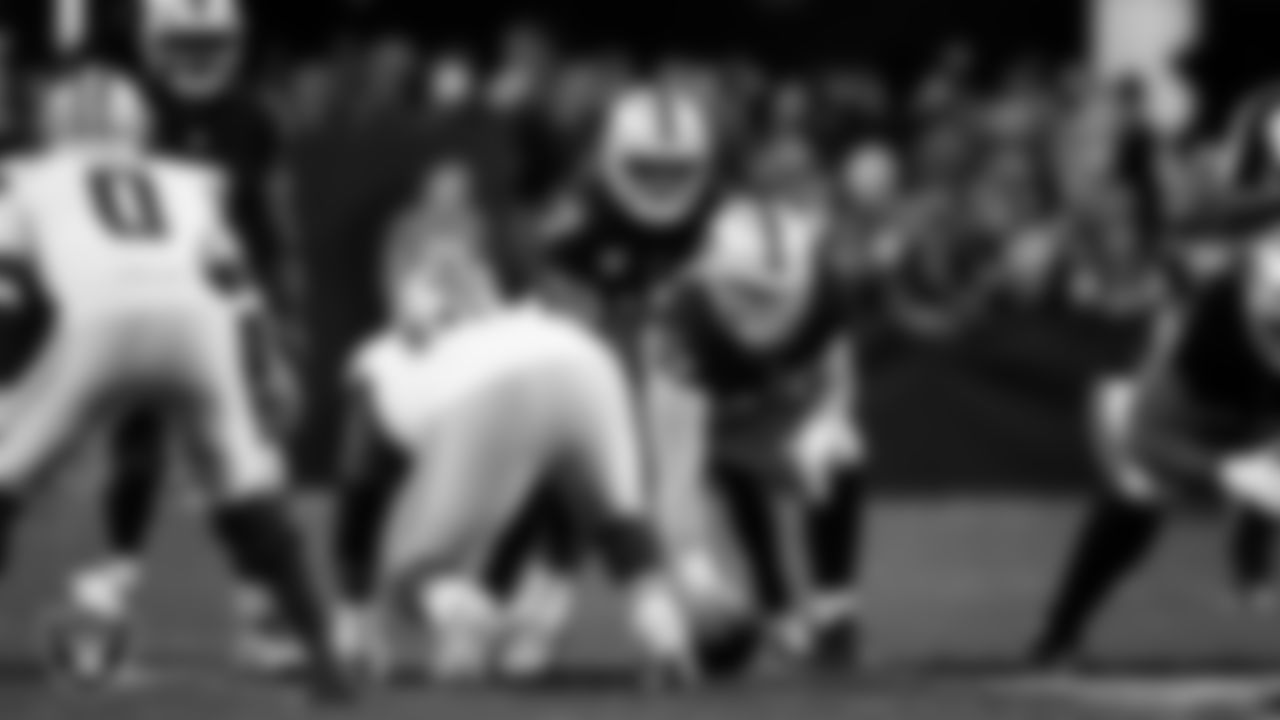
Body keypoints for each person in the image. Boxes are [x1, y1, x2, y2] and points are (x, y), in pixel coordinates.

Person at [0, 67, 347, 699]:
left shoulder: (27, 178)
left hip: (95, 317)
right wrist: (267, 365)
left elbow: (7, 287)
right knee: (246, 488)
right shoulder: (187, 181)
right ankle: (324, 654)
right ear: (139, 125)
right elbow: (234, 280)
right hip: (198, 324)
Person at [327, 216, 701, 683]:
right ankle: (664, 632)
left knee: (412, 574)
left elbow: (358, 502)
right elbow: (548, 505)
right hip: (586, 360)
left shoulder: (378, 363)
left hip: (488, 389)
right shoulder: (516, 315)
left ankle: (459, 620)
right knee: (617, 524)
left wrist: (353, 612)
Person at [60, 0, 307, 672]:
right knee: (139, 448)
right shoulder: (129, 114)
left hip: (229, 304)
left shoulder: (255, 119)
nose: (199, 58)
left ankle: (258, 609)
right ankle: (112, 589)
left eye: (210, 44)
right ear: (153, 43)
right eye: (185, 44)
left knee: (255, 458)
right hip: (149, 295)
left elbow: (272, 223)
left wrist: (282, 318)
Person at [655, 138, 868, 672]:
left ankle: (834, 611)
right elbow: (678, 467)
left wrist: (829, 422)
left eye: (774, 294)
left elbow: (839, 373)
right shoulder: (685, 321)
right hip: (702, 418)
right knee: (704, 490)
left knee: (841, 454)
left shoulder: (824, 287)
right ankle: (770, 602)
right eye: (748, 293)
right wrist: (696, 573)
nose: (763, 309)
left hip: (764, 407)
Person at [1030, 237, 1280, 667]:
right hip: (1175, 421)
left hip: (1245, 418)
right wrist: (1226, 472)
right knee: (1131, 510)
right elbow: (1149, 443)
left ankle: (1251, 567)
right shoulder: (1199, 357)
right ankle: (1060, 633)